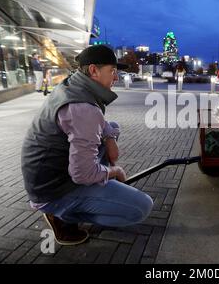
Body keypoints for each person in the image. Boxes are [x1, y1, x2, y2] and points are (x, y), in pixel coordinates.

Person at [21, 45, 153, 245]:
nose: (116, 78)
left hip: (45, 177)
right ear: (93, 70)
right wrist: (114, 171)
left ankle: (93, 190)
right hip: (54, 190)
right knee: (141, 207)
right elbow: (81, 174)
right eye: (112, 71)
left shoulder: (70, 86)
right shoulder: (83, 107)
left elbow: (103, 125)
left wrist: (109, 139)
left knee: (112, 127)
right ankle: (63, 216)